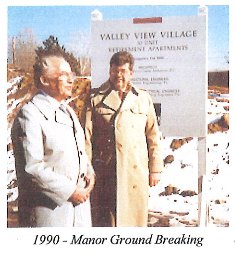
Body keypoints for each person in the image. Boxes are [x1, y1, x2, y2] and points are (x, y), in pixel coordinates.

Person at [11, 55, 95, 227]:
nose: (71, 80)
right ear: (44, 79)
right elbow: (33, 168)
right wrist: (71, 191)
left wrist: (89, 171)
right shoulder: (30, 114)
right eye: (64, 74)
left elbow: (80, 150)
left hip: (79, 212)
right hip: (50, 215)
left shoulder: (68, 112)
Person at [85, 51, 164, 227]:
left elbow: (153, 135)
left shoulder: (143, 98)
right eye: (114, 71)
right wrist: (86, 169)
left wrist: (156, 168)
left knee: (134, 222)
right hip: (106, 172)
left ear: (131, 73)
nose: (118, 75)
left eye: (122, 71)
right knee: (107, 222)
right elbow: (86, 138)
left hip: (135, 171)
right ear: (109, 71)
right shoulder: (95, 98)